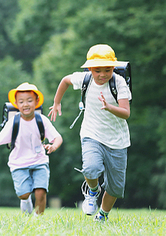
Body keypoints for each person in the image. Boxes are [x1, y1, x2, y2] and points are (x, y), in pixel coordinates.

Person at [48, 44, 131, 222]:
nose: (102, 74)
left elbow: (126, 112)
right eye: (97, 70)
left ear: (113, 68)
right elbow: (65, 80)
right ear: (90, 68)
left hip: (118, 140)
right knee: (91, 168)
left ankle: (102, 215)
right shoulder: (84, 79)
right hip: (91, 133)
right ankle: (93, 191)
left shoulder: (119, 83)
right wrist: (56, 103)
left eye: (107, 70)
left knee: (116, 188)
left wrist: (109, 107)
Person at [0, 82, 62, 216]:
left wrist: (53, 146)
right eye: (21, 101)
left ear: (37, 102)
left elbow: (58, 137)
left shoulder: (41, 120)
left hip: (39, 160)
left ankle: (38, 220)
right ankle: (26, 203)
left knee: (40, 191)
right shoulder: (13, 123)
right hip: (18, 162)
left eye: (29, 100)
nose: (25, 104)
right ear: (16, 104)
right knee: (23, 194)